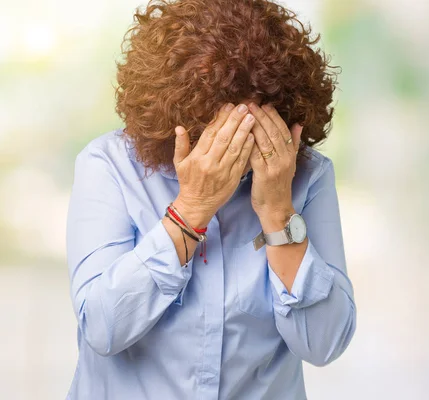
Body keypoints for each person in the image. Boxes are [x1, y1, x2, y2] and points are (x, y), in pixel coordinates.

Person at [65, 0, 356, 398]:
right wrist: (192, 209)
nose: (230, 147)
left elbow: (324, 344)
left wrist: (277, 211)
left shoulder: (306, 175)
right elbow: (102, 328)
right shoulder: (110, 166)